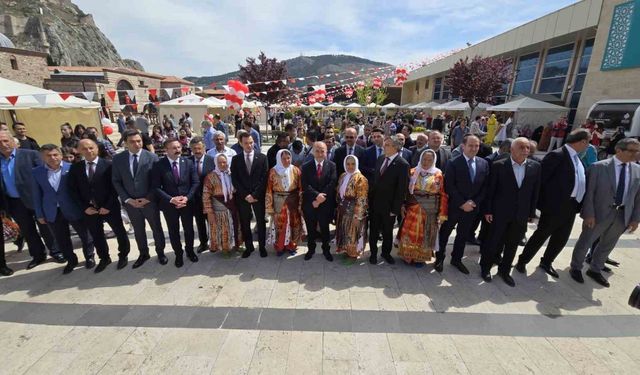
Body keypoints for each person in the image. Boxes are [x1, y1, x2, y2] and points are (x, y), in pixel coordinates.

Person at [516, 129, 591, 278]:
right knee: (541, 235)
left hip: (571, 206)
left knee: (561, 238)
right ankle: (523, 261)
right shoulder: (557, 155)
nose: (588, 146)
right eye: (587, 142)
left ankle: (547, 262)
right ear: (582, 141)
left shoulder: (578, 159)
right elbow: (541, 182)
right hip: (554, 206)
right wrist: (541, 206)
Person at [569, 138, 640, 287]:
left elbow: (638, 197)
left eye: (638, 150)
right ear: (619, 150)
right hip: (598, 213)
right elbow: (589, 193)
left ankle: (595, 269)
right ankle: (576, 267)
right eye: (632, 150)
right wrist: (588, 213)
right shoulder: (598, 167)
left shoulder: (637, 170)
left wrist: (635, 218)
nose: (636, 154)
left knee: (608, 244)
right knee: (586, 241)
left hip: (622, 214)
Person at [479, 138, 541, 286]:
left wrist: (531, 213)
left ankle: (504, 270)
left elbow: (535, 191)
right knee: (493, 241)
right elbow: (491, 190)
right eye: (521, 147)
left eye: (527, 148)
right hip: (500, 212)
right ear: (512, 150)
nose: (525, 150)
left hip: (520, 214)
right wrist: (488, 210)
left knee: (512, 244)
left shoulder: (535, 167)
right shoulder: (499, 166)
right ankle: (485, 267)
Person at [0, 131, 62, 269]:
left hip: (35, 199)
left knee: (45, 226)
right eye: (0, 142)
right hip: (14, 202)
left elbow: (44, 175)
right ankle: (38, 255)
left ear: (12, 140)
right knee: (27, 230)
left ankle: (56, 251)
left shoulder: (30, 155)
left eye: (5, 140)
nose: (3, 145)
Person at [68, 139, 130, 272]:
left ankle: (123, 255)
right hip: (90, 209)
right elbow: (73, 190)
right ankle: (104, 258)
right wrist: (85, 207)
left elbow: (115, 187)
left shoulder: (109, 165)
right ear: (79, 151)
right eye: (84, 149)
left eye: (91, 148)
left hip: (109, 207)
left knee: (119, 231)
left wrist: (107, 205)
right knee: (97, 235)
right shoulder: (76, 168)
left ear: (97, 148)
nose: (89, 151)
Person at [32, 144, 95, 274]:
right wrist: (39, 214)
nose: (52, 158)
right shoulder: (36, 172)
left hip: (73, 208)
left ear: (61, 155)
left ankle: (89, 257)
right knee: (61, 238)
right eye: (48, 156)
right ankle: (71, 260)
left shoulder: (72, 168)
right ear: (42, 157)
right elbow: (36, 194)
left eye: (55, 154)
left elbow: (81, 190)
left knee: (85, 234)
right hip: (52, 210)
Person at [112, 129, 167, 268]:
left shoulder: (152, 157)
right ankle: (143, 253)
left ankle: (160, 252)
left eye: (139, 141)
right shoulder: (118, 159)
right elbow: (116, 181)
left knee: (156, 228)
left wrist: (148, 198)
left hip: (150, 202)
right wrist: (127, 199)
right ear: (125, 143)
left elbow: (157, 181)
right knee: (138, 230)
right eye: (132, 142)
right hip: (131, 204)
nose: (137, 144)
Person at [436, 134, 489, 274]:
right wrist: (462, 203)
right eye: (470, 145)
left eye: (476, 146)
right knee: (445, 233)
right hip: (454, 207)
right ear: (463, 146)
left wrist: (473, 202)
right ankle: (439, 258)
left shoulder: (483, 163)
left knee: (463, 235)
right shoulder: (453, 163)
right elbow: (449, 186)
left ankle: (456, 259)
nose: (474, 148)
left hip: (472, 208)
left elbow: (485, 187)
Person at [152, 138, 199, 267]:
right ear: (166, 150)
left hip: (186, 204)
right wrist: (171, 199)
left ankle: (190, 251)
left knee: (189, 229)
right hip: (170, 205)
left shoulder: (188, 162)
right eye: (174, 148)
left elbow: (195, 182)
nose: (178, 150)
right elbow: (156, 187)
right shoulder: (159, 165)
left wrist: (187, 198)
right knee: (173, 231)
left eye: (179, 147)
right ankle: (178, 254)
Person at [398, 149, 447, 267]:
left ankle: (420, 258)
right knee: (410, 234)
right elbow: (405, 191)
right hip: (412, 210)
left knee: (424, 234)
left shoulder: (438, 175)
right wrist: (402, 205)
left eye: (430, 160)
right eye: (424, 159)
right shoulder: (413, 172)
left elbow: (442, 195)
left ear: (434, 160)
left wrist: (442, 214)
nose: (426, 162)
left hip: (429, 211)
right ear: (420, 159)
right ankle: (408, 256)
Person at [368, 136, 410, 265]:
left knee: (387, 232)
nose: (384, 146)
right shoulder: (381, 158)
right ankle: (373, 253)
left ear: (396, 147)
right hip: (375, 204)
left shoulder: (403, 164)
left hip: (389, 206)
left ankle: (386, 253)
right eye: (385, 144)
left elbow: (401, 189)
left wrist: (395, 209)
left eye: (387, 145)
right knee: (373, 231)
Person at [231, 132, 269, 258]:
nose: (249, 145)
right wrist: (246, 195)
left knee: (261, 222)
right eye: (246, 143)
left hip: (258, 196)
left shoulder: (262, 158)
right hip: (243, 198)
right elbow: (235, 179)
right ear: (241, 143)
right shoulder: (236, 159)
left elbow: (264, 178)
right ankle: (249, 247)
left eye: (251, 142)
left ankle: (262, 247)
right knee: (245, 222)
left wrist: (254, 194)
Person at [301, 141, 337, 261]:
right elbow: (305, 185)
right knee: (311, 229)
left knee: (325, 229)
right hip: (311, 203)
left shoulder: (332, 166)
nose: (320, 153)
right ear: (313, 151)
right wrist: (316, 197)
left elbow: (332, 183)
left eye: (323, 151)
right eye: (317, 150)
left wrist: (321, 198)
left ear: (326, 152)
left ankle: (326, 250)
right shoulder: (306, 166)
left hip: (325, 204)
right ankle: (311, 249)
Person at [265, 149, 304, 256]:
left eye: (288, 158)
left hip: (293, 201)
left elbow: (301, 188)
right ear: (279, 159)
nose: (287, 161)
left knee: (293, 223)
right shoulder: (273, 171)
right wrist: (269, 207)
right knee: (280, 225)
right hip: (279, 202)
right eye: (284, 159)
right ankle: (280, 247)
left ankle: (291, 245)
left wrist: (301, 204)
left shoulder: (296, 170)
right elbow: (269, 189)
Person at [203, 153, 241, 255]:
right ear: (215, 163)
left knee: (235, 227)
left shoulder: (231, 174)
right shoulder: (210, 177)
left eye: (224, 162)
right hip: (219, 210)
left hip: (232, 207)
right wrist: (209, 212)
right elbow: (206, 196)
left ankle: (237, 245)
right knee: (222, 230)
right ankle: (224, 249)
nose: (222, 164)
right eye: (220, 162)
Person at [335, 155, 368, 263]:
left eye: (353, 164)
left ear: (357, 164)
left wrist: (357, 217)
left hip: (353, 211)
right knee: (344, 231)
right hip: (343, 210)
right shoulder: (343, 176)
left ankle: (353, 254)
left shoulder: (361, 179)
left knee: (352, 233)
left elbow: (362, 199)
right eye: (348, 164)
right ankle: (346, 250)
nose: (350, 166)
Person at [189, 137, 215, 253]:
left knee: (212, 221)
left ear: (204, 148)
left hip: (210, 198)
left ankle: (214, 242)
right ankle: (203, 243)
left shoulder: (212, 160)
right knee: (199, 222)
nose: (197, 151)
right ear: (191, 149)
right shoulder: (187, 161)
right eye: (195, 149)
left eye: (199, 148)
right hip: (195, 199)